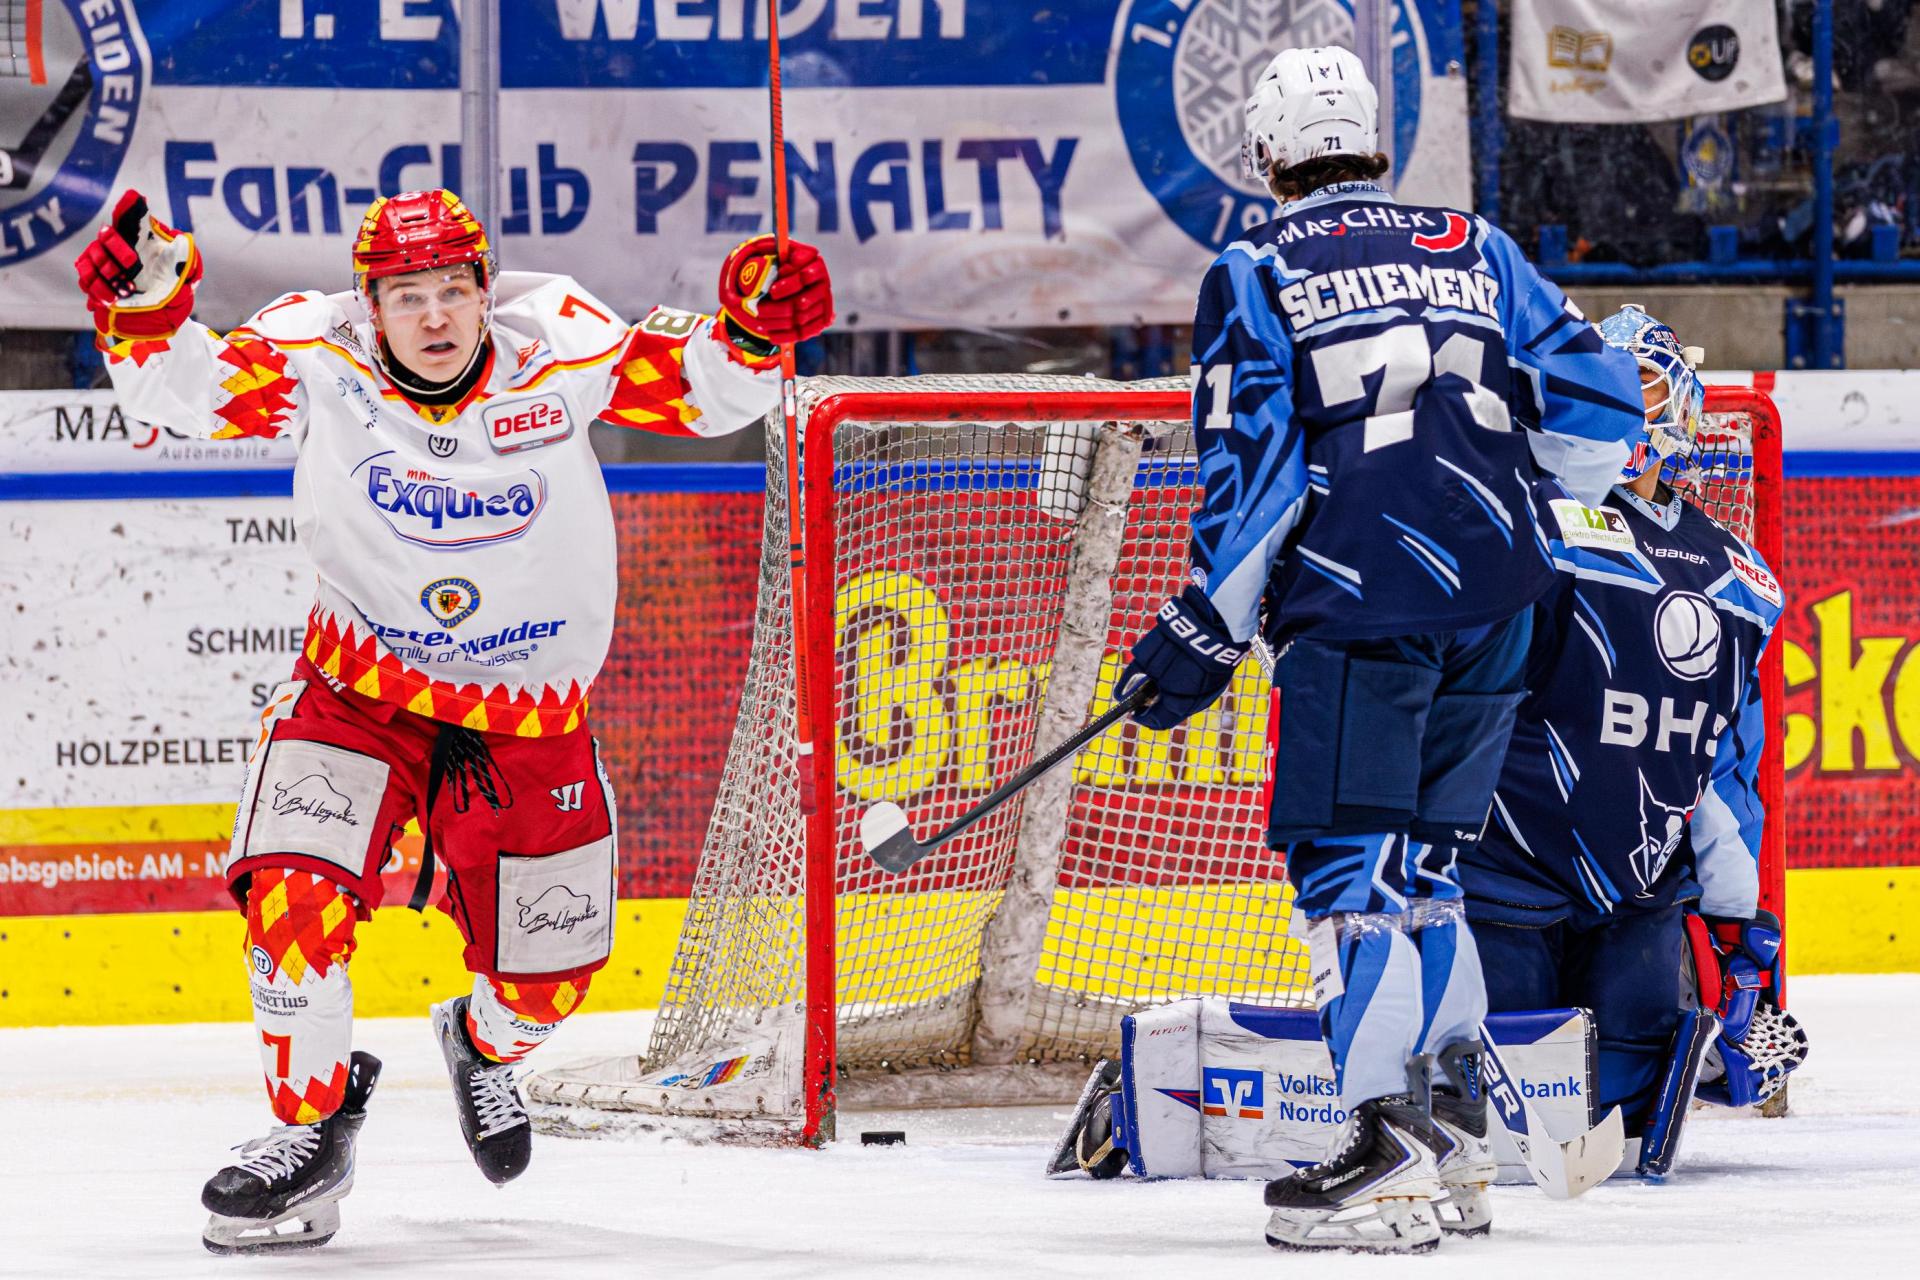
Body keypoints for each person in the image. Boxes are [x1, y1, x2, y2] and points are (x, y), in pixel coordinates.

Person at [73, 188, 833, 1253]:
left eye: (452, 292)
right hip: (359, 691)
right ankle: (309, 1137)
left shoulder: (559, 343)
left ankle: (480, 1043)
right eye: (406, 296)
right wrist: (148, 310)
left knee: (544, 987)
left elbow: (705, 391)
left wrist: (758, 328)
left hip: (525, 716)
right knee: (294, 896)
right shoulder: (315, 350)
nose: (433, 317)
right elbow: (192, 391)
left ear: (485, 291)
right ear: (369, 303)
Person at [1115, 47, 1646, 1253]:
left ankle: (1382, 1146)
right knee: (1432, 871)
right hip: (1506, 602)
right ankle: (1454, 1133)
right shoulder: (1474, 247)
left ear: (1266, 156)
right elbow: (1605, 405)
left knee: (1348, 881)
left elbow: (1250, 481)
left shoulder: (1255, 268)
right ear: (1374, 142)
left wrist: (1200, 628)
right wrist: (1518, 518)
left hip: (1362, 602)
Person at [1461, 305, 1806, 1175]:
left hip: (1642, 884)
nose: (1619, 412)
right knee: (1497, 1115)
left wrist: (1738, 918)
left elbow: (1723, 767)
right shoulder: (1525, 519)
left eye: (1640, 389)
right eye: (1595, 390)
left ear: (1685, 407)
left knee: (1627, 1107)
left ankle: (1708, 1052)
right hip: (1504, 861)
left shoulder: (1738, 575)